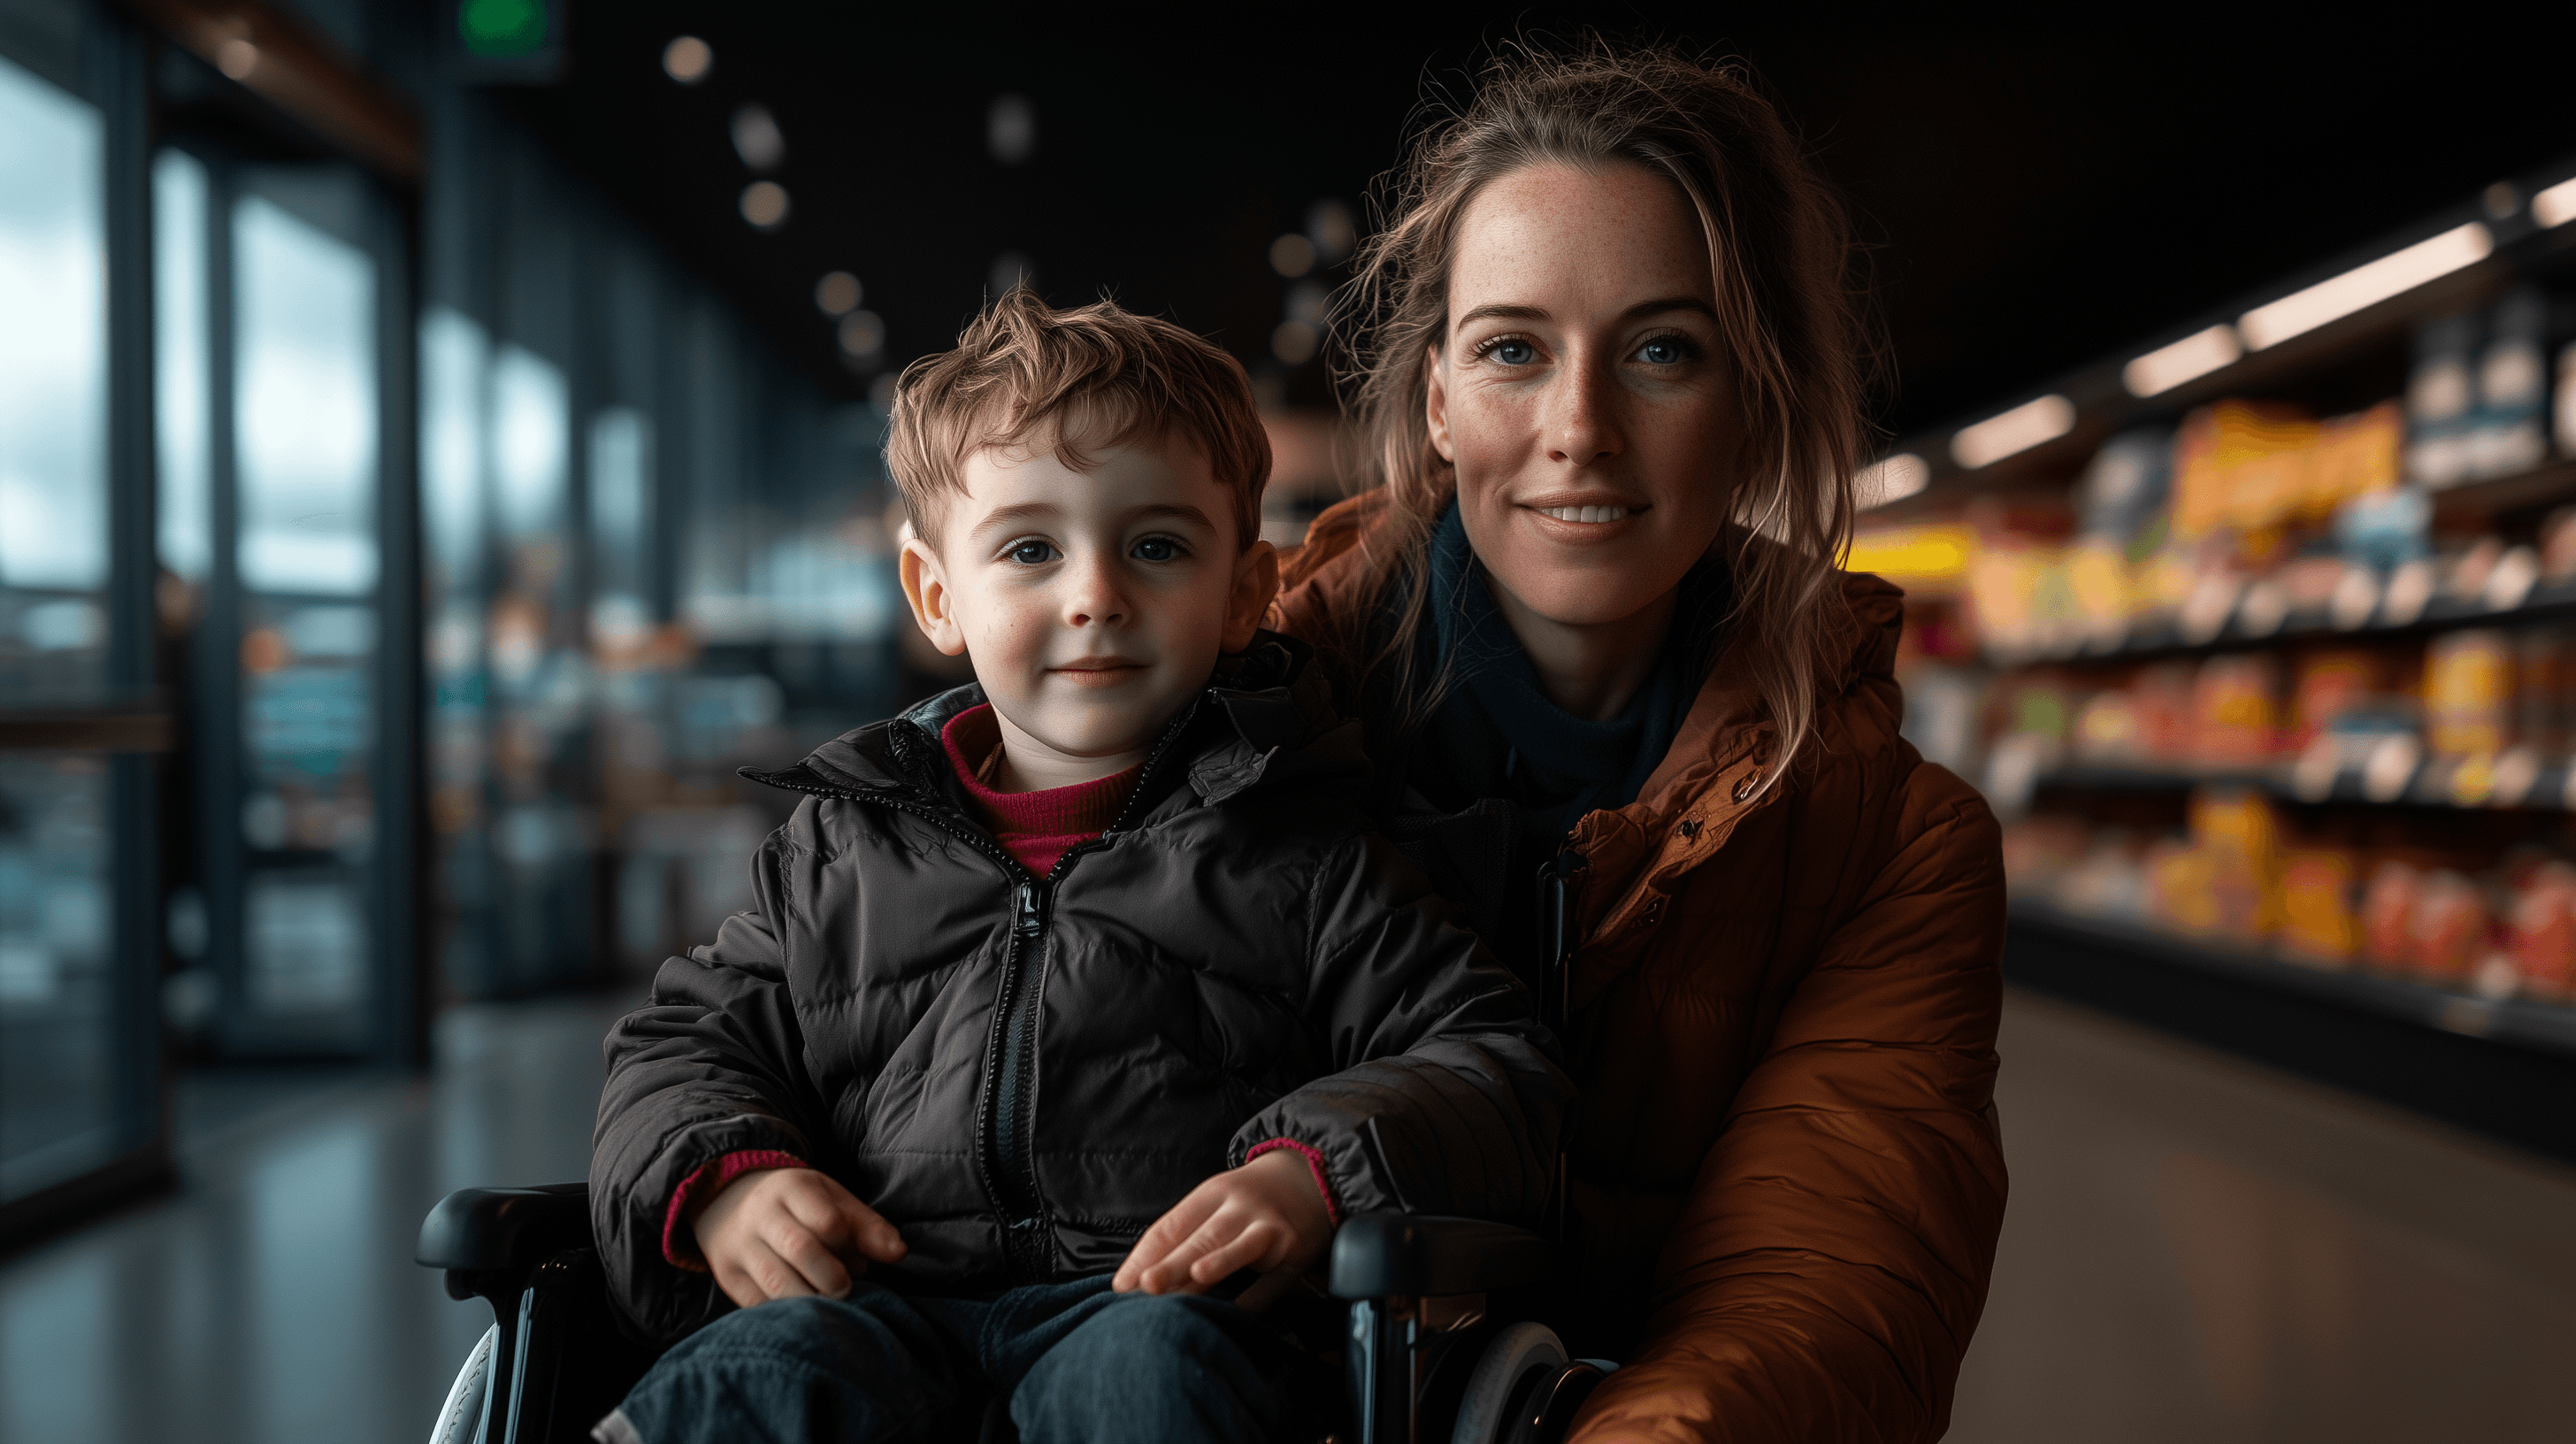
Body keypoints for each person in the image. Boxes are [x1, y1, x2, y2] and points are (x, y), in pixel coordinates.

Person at [587, 290, 1568, 1444]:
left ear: (1244, 593)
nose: (1095, 594)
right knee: (750, 1375)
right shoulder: (836, 854)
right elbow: (679, 1048)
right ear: (936, 594)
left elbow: (1497, 1064)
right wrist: (726, 1180)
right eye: (1030, 549)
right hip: (878, 1306)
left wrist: (1316, 1172)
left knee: (1145, 1382)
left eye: (1157, 547)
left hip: (1157, 1314)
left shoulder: (1307, 854)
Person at [1269, 42, 2010, 1443]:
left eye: (1662, 351)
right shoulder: (1240, 735)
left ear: (1755, 402)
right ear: (1437, 400)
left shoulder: (1892, 848)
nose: (1580, 430)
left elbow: (1827, 1299)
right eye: (1512, 351)